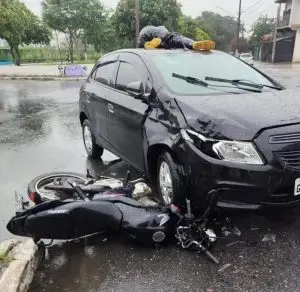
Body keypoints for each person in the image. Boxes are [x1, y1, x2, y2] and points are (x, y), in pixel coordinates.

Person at [137, 25, 215, 50]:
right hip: (160, 35)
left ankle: (193, 44)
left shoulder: (145, 33)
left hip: (155, 37)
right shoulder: (158, 28)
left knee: (172, 40)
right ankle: (193, 44)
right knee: (175, 39)